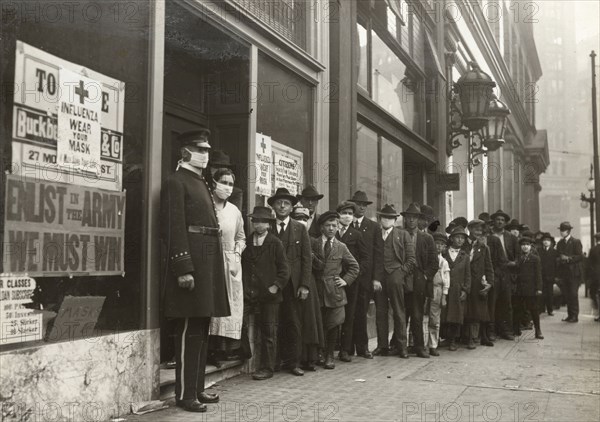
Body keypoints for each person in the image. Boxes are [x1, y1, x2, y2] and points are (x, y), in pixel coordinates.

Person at [161, 129, 229, 412]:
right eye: (200, 150)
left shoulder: (199, 182)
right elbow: (174, 227)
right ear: (185, 152)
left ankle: (197, 389)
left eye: (207, 150)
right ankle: (185, 395)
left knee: (201, 328)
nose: (205, 155)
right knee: (189, 329)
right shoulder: (176, 182)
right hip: (192, 264)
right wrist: (183, 267)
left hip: (208, 263)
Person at [240, 206, 290, 380]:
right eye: (255, 221)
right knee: (239, 323)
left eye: (262, 221)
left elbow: (285, 270)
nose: (257, 224)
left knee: (268, 331)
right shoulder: (247, 241)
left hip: (269, 295)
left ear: (269, 224)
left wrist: (275, 287)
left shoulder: (275, 243)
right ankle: (245, 354)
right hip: (249, 293)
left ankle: (267, 367)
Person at [268, 187, 313, 376]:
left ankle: (294, 362)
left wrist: (304, 285)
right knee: (273, 323)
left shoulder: (299, 228)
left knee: (293, 323)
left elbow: (306, 259)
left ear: (292, 206)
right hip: (273, 284)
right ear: (273, 206)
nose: (282, 206)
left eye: (286, 203)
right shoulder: (268, 227)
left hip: (294, 285)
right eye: (279, 202)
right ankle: (274, 362)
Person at [311, 211, 360, 369]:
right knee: (319, 323)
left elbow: (354, 267)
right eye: (328, 225)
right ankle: (319, 353)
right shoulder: (314, 243)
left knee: (333, 324)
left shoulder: (341, 246)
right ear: (321, 228)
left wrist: (345, 280)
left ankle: (330, 355)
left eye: (334, 225)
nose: (331, 228)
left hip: (334, 292)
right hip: (317, 290)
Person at [208, 168, 246, 365]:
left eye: (231, 184)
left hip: (230, 263)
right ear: (214, 183)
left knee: (229, 306)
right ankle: (208, 350)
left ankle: (223, 350)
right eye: (224, 182)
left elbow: (241, 237)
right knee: (211, 304)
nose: (227, 187)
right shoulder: (207, 206)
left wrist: (236, 253)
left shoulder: (234, 211)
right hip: (209, 260)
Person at [373, 204, 416, 358]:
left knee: (399, 311)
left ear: (395, 220)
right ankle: (382, 346)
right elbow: (373, 258)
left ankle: (401, 346)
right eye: (384, 217)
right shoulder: (376, 234)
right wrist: (375, 278)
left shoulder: (402, 235)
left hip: (396, 275)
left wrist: (400, 273)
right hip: (379, 278)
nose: (387, 220)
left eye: (390, 218)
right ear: (379, 218)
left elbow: (411, 259)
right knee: (380, 312)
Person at [347, 191, 384, 358]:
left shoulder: (373, 226)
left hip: (365, 277)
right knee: (348, 311)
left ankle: (362, 348)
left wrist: (376, 278)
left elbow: (378, 253)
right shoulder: (345, 224)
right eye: (358, 204)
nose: (361, 207)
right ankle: (347, 348)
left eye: (364, 205)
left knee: (361, 312)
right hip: (347, 277)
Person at [400, 203, 438, 358]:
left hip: (418, 279)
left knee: (417, 314)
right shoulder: (399, 234)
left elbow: (434, 263)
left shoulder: (426, 238)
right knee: (401, 313)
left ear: (418, 220)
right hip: (402, 278)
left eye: (414, 218)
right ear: (405, 219)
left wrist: (425, 276)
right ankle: (399, 345)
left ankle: (419, 346)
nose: (411, 221)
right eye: (408, 217)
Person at [290, 204, 324, 371]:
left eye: (305, 219)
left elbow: (320, 265)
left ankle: (311, 358)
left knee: (310, 321)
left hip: (308, 283)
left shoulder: (313, 241)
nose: (301, 222)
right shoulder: (289, 236)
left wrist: (310, 256)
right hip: (293, 283)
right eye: (298, 219)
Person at [335, 201, 371, 363]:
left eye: (350, 213)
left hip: (351, 281)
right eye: (344, 213)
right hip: (334, 280)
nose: (347, 216)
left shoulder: (356, 234)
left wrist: (354, 275)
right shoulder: (332, 231)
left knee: (350, 315)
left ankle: (345, 349)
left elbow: (365, 258)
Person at [464, 219, 494, 348]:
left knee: (480, 310)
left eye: (480, 230)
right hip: (465, 282)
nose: (478, 232)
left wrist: (490, 283)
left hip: (478, 283)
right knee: (467, 311)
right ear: (469, 229)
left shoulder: (483, 247)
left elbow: (489, 267)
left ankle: (481, 337)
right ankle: (468, 338)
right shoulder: (462, 244)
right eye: (476, 229)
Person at [489, 209, 519, 340]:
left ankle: (506, 330)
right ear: (494, 221)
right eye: (497, 220)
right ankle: (491, 331)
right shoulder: (489, 236)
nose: (500, 222)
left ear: (505, 222)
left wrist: (513, 263)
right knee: (492, 302)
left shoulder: (511, 237)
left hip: (506, 272)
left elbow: (518, 256)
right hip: (493, 270)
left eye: (502, 220)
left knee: (506, 302)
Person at [442, 226, 471, 351]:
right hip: (445, 288)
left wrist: (465, 290)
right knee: (444, 314)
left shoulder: (465, 256)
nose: (459, 240)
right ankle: (444, 338)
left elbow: (468, 275)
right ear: (452, 238)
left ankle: (453, 340)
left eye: (462, 238)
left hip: (458, 289)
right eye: (457, 237)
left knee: (456, 315)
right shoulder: (444, 253)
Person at [511, 237, 544, 339]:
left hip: (531, 289)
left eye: (527, 245)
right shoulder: (519, 258)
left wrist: (538, 288)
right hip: (520, 289)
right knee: (518, 309)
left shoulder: (535, 258)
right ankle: (516, 330)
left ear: (531, 246)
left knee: (534, 310)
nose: (525, 247)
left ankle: (538, 331)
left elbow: (538, 274)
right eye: (523, 245)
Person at [424, 232, 450, 356]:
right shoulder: (426, 258)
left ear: (445, 248)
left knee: (434, 319)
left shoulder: (443, 262)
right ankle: (416, 343)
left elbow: (446, 281)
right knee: (420, 317)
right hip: (425, 289)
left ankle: (433, 345)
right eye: (436, 244)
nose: (439, 247)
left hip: (437, 290)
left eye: (442, 245)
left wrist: (444, 296)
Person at [556, 222, 583, 323]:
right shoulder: (560, 243)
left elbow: (580, 256)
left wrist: (568, 259)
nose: (561, 232)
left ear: (568, 231)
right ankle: (570, 315)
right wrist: (560, 259)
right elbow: (558, 255)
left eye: (562, 230)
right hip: (564, 273)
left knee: (573, 294)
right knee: (567, 294)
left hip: (574, 273)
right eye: (561, 230)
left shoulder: (576, 242)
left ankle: (574, 316)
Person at [539, 232, 558, 316]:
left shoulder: (554, 252)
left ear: (551, 242)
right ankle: (541, 308)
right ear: (542, 241)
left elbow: (556, 265)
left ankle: (550, 309)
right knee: (541, 292)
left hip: (550, 275)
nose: (546, 242)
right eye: (544, 240)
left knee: (550, 293)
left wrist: (555, 276)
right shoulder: (538, 251)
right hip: (541, 275)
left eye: (548, 240)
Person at [588, 233, 600, 321]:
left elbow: (589, 264)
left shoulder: (593, 249)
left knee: (595, 294)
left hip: (596, 276)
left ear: (596, 240)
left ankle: (598, 313)